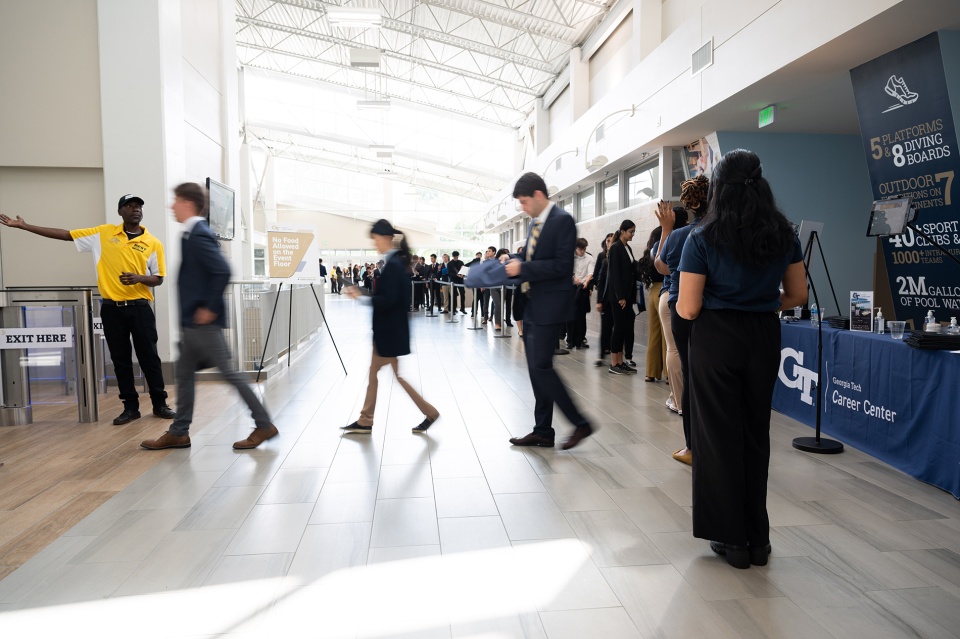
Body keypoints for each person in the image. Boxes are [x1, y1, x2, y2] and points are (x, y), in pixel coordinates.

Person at [676, 149, 806, 569]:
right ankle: (757, 540)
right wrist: (762, 303)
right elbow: (798, 296)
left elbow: (689, 308)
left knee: (716, 438)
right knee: (755, 434)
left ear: (718, 185)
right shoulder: (783, 232)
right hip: (764, 334)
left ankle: (732, 542)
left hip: (716, 336)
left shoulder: (703, 237)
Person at [0, 195, 177, 425]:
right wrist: (25, 226)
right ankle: (130, 408)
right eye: (130, 206)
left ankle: (160, 404)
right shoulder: (103, 234)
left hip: (140, 308)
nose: (136, 209)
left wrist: (139, 278)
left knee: (149, 358)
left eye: (139, 206)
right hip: (112, 309)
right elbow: (66, 234)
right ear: (120, 211)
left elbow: (158, 279)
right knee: (120, 360)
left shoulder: (153, 243)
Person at [141, 182, 278, 450]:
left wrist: (210, 307)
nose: (171, 206)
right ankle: (179, 431)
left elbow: (222, 271)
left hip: (203, 324)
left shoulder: (200, 234)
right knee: (184, 373)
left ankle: (263, 425)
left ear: (188, 204)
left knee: (230, 374)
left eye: (176, 200)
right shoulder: (191, 234)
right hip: (193, 324)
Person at [503, 172, 593, 450]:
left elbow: (560, 266)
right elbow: (534, 259)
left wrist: (524, 268)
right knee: (535, 369)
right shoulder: (536, 223)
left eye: (524, 201)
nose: (522, 207)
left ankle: (580, 422)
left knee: (542, 367)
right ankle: (543, 430)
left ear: (538, 195)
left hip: (551, 306)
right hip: (533, 304)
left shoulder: (562, 221)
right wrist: (514, 259)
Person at [342, 219, 440, 434]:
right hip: (389, 332)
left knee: (392, 376)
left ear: (386, 238)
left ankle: (427, 413)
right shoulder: (396, 262)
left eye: (376, 239)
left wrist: (361, 297)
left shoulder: (394, 265)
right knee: (378, 374)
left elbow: (389, 300)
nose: (374, 244)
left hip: (389, 333)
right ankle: (366, 419)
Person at [658, 176, 709, 466]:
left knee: (690, 375)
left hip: (680, 305)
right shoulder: (719, 232)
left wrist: (666, 230)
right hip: (711, 309)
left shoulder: (679, 236)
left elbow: (660, 264)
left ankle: (692, 445)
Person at [605, 219, 638, 375]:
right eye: (631, 231)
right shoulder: (616, 248)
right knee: (618, 328)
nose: (632, 234)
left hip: (627, 296)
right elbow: (615, 275)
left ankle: (620, 361)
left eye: (633, 232)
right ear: (623, 231)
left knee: (624, 327)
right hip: (619, 297)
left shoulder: (627, 247)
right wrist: (620, 296)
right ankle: (614, 364)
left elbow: (632, 269)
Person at [637, 228, 666, 382]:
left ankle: (651, 372)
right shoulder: (663, 250)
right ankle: (668, 373)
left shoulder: (647, 253)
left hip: (653, 291)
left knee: (653, 334)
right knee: (666, 335)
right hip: (664, 289)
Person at [567, 238, 594, 349]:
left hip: (583, 288)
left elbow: (590, 272)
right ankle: (570, 340)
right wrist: (574, 277)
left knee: (581, 315)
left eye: (584, 249)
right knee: (570, 314)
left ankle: (581, 339)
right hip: (571, 288)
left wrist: (587, 282)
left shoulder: (589, 258)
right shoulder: (570, 257)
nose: (582, 251)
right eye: (580, 249)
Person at [592, 233, 614, 367]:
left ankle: (613, 351)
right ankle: (601, 354)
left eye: (612, 241)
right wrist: (599, 299)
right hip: (605, 297)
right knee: (605, 327)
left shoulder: (618, 254)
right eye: (607, 240)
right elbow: (598, 277)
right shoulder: (602, 257)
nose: (609, 243)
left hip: (616, 298)